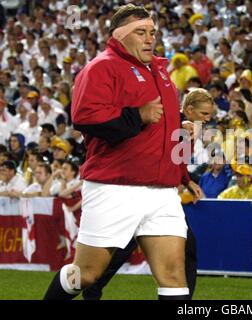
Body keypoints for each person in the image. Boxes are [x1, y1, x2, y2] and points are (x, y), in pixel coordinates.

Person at [43, 5, 195, 301]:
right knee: (86, 274)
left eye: (152, 32)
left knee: (174, 276)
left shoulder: (160, 71)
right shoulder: (102, 67)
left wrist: (182, 162)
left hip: (162, 192)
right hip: (114, 188)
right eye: (141, 32)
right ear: (119, 35)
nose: (150, 39)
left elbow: (160, 126)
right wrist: (137, 116)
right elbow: (85, 117)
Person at [81, 87, 215, 301]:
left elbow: (175, 159)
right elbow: (164, 146)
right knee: (122, 249)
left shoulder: (188, 128)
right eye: (204, 114)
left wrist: (187, 180)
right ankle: (92, 286)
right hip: (147, 193)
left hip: (159, 196)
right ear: (189, 109)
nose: (208, 119)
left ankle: (93, 287)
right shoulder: (180, 125)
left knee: (182, 248)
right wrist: (182, 129)